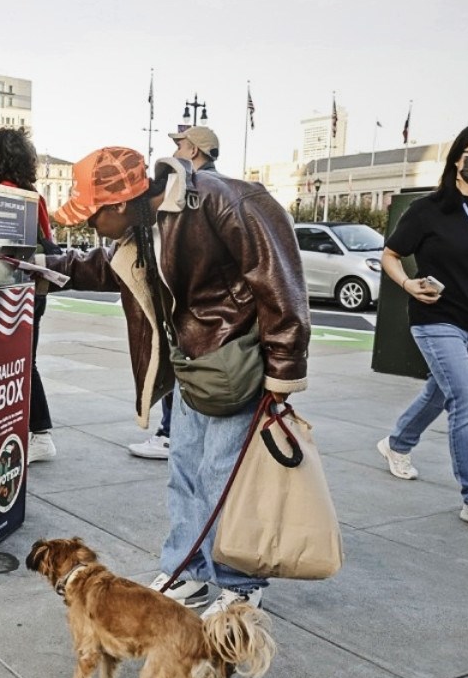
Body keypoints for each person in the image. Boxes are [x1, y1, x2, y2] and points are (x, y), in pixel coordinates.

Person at [45, 147, 309, 617]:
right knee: (185, 475)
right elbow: (109, 268)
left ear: (120, 203)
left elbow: (279, 281)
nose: (89, 227)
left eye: (91, 216)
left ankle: (239, 586)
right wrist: (48, 270)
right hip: (193, 363)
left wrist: (282, 374)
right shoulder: (143, 225)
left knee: (222, 481)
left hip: (234, 361)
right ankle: (187, 571)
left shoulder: (217, 201)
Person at [377, 121, 468, 531]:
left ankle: (397, 443)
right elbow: (390, 253)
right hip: (437, 318)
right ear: (458, 158)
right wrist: (407, 283)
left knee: (440, 394)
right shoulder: (429, 209)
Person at [127, 125, 221, 461]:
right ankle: (171, 433)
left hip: (201, 333)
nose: (177, 152)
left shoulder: (198, 194)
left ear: (194, 150)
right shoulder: (214, 191)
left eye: (180, 146)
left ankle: (168, 434)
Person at [0, 126, 59, 462]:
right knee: (25, 360)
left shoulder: (0, 194)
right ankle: (31, 431)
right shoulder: (32, 194)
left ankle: (40, 433)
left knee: (17, 362)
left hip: (9, 288)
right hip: (32, 289)